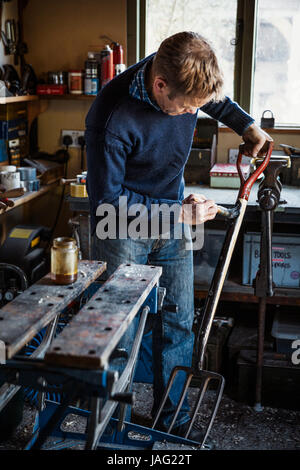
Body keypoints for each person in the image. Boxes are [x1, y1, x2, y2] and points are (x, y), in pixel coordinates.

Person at [85, 31, 272, 441]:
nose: (192, 113)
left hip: (174, 220)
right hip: (122, 229)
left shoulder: (179, 71)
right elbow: (106, 205)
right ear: (159, 85)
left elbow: (211, 98)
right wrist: (178, 214)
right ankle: (111, 429)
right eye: (186, 109)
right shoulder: (110, 117)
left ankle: (172, 425)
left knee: (178, 323)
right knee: (121, 330)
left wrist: (247, 125)